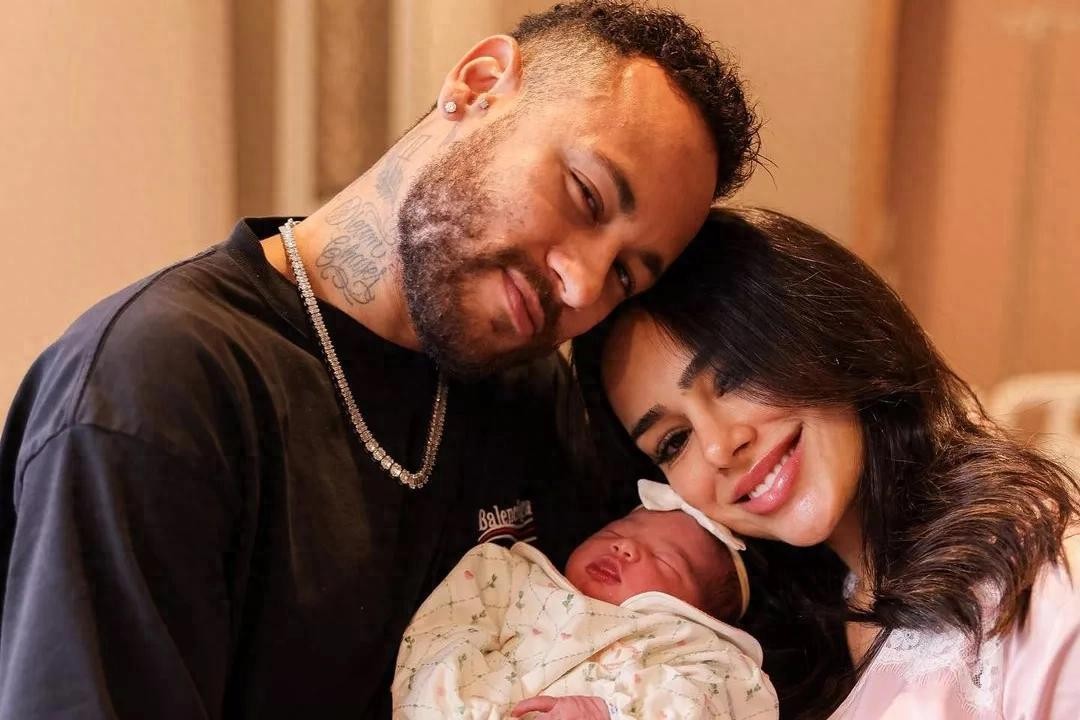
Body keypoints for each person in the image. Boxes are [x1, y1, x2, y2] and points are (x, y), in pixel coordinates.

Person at [0, 2, 760, 718]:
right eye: (586, 195)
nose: (583, 284)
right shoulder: (158, 389)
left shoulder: (533, 398)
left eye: (625, 275)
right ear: (479, 85)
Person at [573, 208, 1080, 719]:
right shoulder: (763, 649)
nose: (719, 447)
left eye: (736, 375)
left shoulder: (1050, 593)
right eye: (674, 441)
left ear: (828, 331)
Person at [392, 480, 777, 720]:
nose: (625, 547)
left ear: (697, 614)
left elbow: (708, 705)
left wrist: (611, 713)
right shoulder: (510, 576)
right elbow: (439, 635)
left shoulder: (696, 650)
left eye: (664, 560)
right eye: (616, 532)